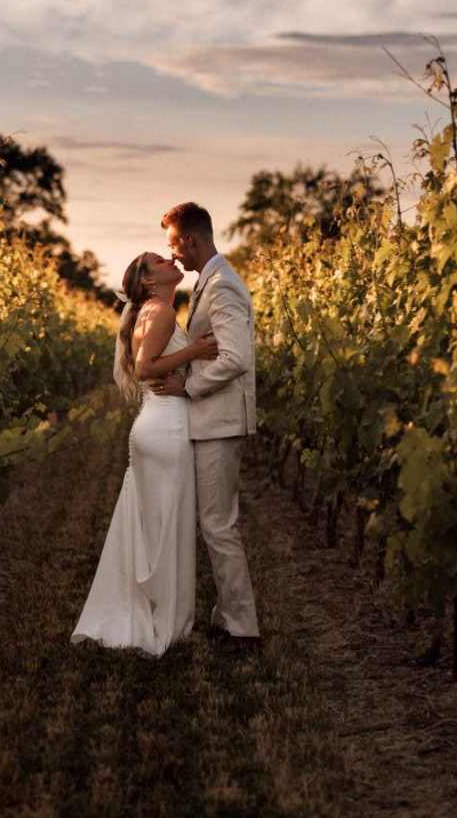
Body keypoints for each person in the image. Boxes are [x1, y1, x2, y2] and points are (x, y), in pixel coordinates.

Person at [71, 251, 218, 657]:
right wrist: (194, 352)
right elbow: (143, 367)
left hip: (158, 424)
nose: (171, 259)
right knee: (167, 524)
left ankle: (154, 609)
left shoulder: (155, 309)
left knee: (155, 522)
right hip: (166, 427)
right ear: (149, 280)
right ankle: (165, 620)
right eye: (159, 261)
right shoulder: (162, 312)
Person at [158, 202, 261, 649]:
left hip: (219, 420)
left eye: (172, 246)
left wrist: (190, 386)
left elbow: (237, 358)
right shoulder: (211, 281)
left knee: (219, 526)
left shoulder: (221, 287)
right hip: (213, 420)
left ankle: (243, 629)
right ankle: (227, 614)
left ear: (190, 240)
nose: (172, 256)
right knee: (216, 523)